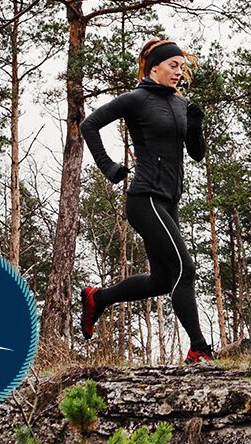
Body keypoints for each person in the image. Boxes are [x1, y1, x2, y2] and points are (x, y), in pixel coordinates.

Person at [78, 38, 215, 364]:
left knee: (162, 280)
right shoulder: (136, 99)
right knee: (185, 269)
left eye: (182, 67)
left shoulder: (182, 105)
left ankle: (99, 298)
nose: (179, 72)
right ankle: (199, 348)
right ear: (155, 66)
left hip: (169, 202)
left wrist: (195, 127)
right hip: (145, 199)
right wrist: (108, 166)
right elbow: (89, 124)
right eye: (173, 66)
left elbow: (196, 154)